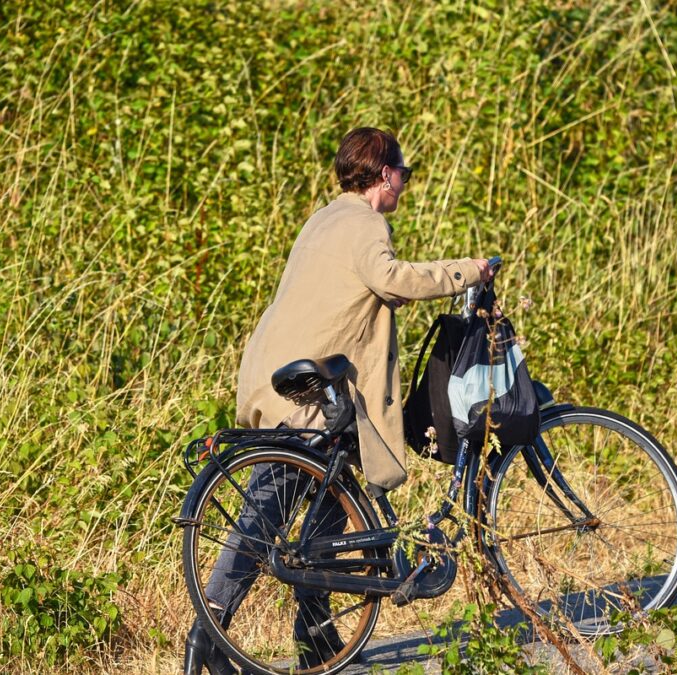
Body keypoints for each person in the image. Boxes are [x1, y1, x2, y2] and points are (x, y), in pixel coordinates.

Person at [184, 127, 494, 674]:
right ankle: (206, 637)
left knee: (332, 497)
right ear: (383, 175)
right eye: (405, 173)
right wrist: (467, 271)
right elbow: (391, 278)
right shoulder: (365, 222)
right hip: (299, 394)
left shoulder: (326, 216)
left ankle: (316, 634)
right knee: (265, 515)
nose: (406, 184)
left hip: (292, 380)